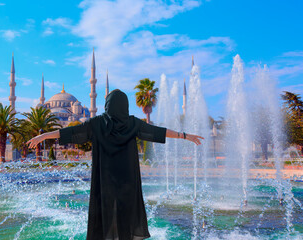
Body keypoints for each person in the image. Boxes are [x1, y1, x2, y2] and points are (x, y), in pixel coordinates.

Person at [27, 89, 203, 240]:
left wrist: (43, 136)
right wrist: (184, 135)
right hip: (128, 181)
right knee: (127, 215)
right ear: (124, 105)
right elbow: (157, 132)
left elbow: (69, 132)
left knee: (105, 215)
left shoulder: (97, 123)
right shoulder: (133, 123)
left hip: (105, 181)